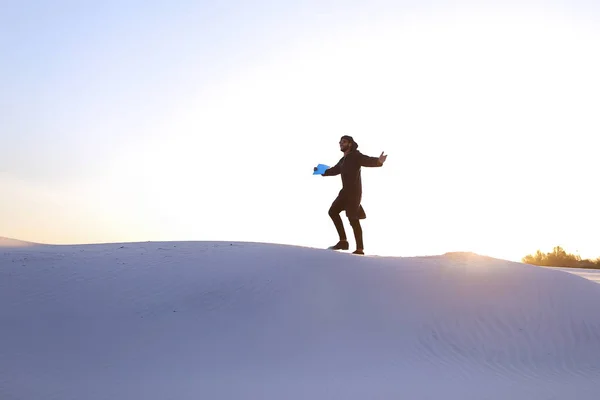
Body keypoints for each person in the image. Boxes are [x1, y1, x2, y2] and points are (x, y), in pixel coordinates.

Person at [315, 135, 387, 255]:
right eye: (340, 142)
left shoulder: (355, 156)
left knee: (353, 219)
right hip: (344, 193)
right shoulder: (343, 160)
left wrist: (378, 161)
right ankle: (343, 241)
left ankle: (360, 249)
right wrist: (322, 171)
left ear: (350, 144)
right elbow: (334, 170)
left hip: (354, 193)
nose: (341, 144)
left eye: (344, 142)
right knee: (332, 211)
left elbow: (366, 160)